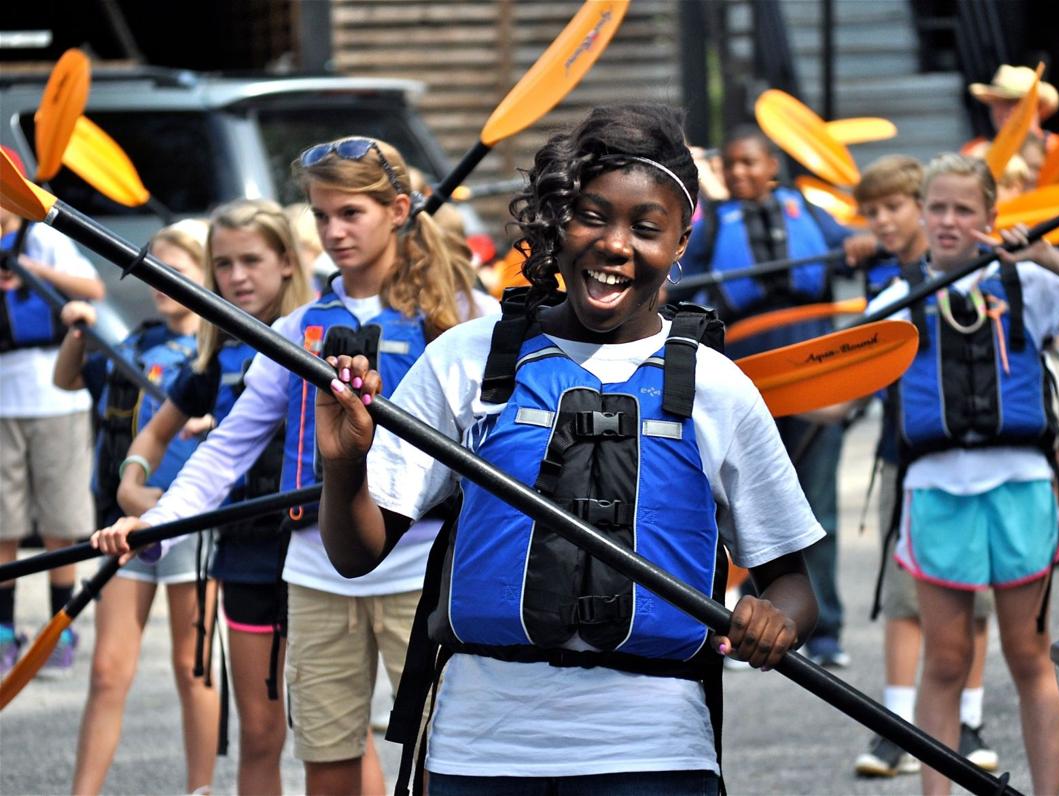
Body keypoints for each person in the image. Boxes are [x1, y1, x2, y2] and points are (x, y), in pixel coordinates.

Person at [311, 103, 822, 795]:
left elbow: (791, 582)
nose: (615, 245)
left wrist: (777, 619)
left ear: (680, 244)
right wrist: (342, 465)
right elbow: (355, 553)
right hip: (480, 751)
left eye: (646, 228)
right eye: (592, 216)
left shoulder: (717, 388)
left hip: (655, 751)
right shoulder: (468, 359)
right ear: (557, 221)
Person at [91, 136, 495, 795]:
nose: (333, 232)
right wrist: (160, 519)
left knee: (440, 766)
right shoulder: (296, 330)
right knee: (328, 765)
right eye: (321, 216)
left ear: (399, 210)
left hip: (423, 576)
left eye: (350, 214)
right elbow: (227, 449)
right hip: (316, 577)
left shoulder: (466, 319)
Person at [868, 153, 1059, 795]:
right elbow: (848, 386)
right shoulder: (899, 299)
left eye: (965, 210)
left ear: (990, 216)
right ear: (922, 216)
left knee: (1027, 656)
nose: (950, 221)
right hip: (935, 495)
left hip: (1020, 490)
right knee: (947, 660)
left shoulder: (1027, 286)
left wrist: (1046, 257)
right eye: (938, 209)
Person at [112, 199, 311, 795]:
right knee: (259, 734)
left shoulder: (319, 333)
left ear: (284, 262)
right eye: (223, 265)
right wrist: (132, 478)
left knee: (335, 738)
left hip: (321, 554)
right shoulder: (216, 354)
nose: (237, 276)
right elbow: (155, 430)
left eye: (251, 260)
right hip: (245, 555)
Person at [678, 125, 875, 669]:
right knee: (736, 519)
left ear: (771, 166)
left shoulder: (809, 213)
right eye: (733, 165)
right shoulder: (712, 223)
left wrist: (860, 246)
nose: (740, 173)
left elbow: (862, 250)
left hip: (814, 391)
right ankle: (736, 625)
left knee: (816, 510)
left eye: (750, 163)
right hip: (747, 393)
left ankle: (826, 631)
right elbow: (679, 283)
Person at [53, 219, 220, 796]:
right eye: (154, 270)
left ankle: (199, 788)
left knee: (190, 666)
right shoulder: (134, 342)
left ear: (207, 274)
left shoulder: (219, 352)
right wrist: (78, 333)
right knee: (107, 670)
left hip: (191, 523)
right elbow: (68, 379)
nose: (161, 282)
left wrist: (214, 422)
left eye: (178, 271)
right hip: (123, 522)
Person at [848, 155, 997, 778]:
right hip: (908, 460)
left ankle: (967, 720)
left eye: (895, 209)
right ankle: (898, 726)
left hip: (981, 462)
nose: (883, 221)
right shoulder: (885, 283)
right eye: (873, 212)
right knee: (906, 599)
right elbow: (855, 377)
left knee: (978, 601)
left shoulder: (982, 276)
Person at [0, 148, 106, 678]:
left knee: (62, 521)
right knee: (3, 525)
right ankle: (3, 630)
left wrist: (29, 268)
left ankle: (58, 629)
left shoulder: (42, 236)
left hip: (54, 396)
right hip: (3, 401)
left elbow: (93, 289)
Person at [963, 65, 1059, 157]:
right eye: (997, 101)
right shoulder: (974, 152)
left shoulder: (1058, 150)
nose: (1005, 109)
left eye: (1015, 101)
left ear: (1038, 107)